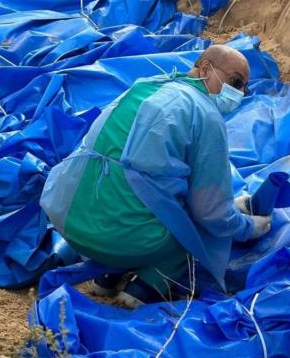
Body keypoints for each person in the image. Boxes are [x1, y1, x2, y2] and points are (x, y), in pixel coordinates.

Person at [40, 45, 271, 304]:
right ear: (205, 68)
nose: (239, 93)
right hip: (118, 238)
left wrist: (231, 205)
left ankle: (107, 277)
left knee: (125, 197)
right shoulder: (205, 115)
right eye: (235, 82)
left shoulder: (146, 86)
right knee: (191, 230)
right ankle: (141, 291)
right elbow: (210, 213)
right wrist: (247, 228)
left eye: (244, 88)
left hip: (69, 221)